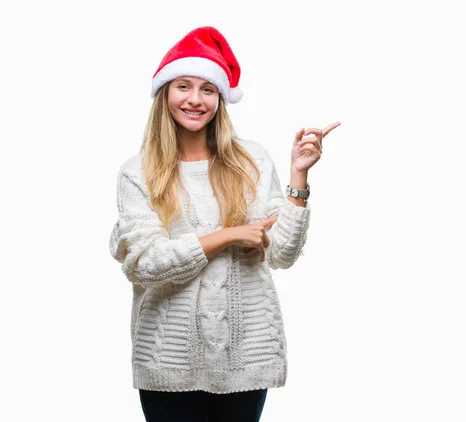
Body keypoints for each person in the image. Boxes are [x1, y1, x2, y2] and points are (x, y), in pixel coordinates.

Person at [108, 26, 340, 422]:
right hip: (169, 360)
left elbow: (281, 253)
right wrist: (229, 235)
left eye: (208, 89)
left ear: (220, 99)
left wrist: (298, 179)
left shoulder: (252, 161)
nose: (195, 99)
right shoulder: (138, 173)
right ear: (165, 93)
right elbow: (145, 264)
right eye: (184, 86)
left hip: (245, 355)